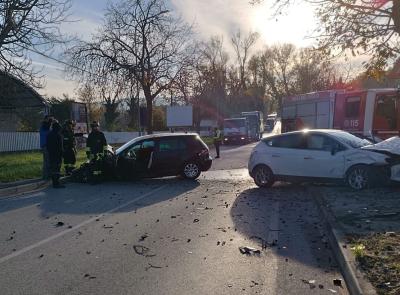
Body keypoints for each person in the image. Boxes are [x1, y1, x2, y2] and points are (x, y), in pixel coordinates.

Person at [47, 121, 65, 188]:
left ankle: (54, 182)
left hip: (51, 154)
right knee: (57, 169)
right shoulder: (58, 135)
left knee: (53, 169)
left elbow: (47, 145)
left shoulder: (49, 135)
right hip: (57, 155)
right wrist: (62, 154)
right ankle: (57, 183)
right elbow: (60, 146)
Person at [39, 115, 52, 180]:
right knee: (48, 161)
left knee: (45, 161)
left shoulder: (43, 126)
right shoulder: (45, 126)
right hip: (46, 145)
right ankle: (47, 176)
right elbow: (48, 133)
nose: (50, 121)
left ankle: (45, 175)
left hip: (44, 145)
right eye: (49, 119)